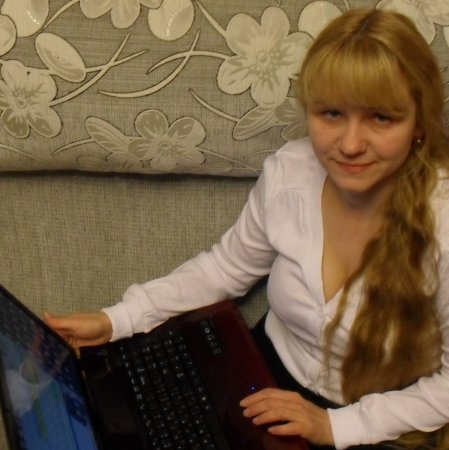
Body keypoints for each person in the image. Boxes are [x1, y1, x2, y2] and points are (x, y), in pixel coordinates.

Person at [44, 8, 449, 449]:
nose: (350, 144)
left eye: (381, 118)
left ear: (419, 123)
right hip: (260, 375)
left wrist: (335, 426)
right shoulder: (290, 172)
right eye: (332, 113)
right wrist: (116, 320)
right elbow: (224, 270)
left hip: (380, 421)